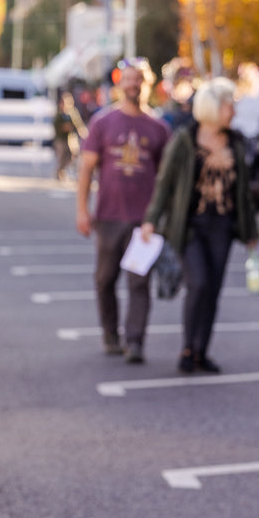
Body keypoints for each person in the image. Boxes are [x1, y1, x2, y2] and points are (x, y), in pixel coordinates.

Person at [141, 78, 259, 374]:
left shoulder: (235, 141)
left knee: (214, 289)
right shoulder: (185, 139)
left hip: (222, 225)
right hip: (190, 225)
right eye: (228, 104)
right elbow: (165, 183)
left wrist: (250, 232)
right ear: (213, 107)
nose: (233, 110)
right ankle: (187, 348)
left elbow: (243, 193)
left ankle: (201, 350)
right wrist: (151, 220)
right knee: (199, 283)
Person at [76, 57, 172, 364]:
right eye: (128, 79)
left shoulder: (159, 128)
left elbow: (166, 178)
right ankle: (110, 334)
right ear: (119, 83)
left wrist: (159, 218)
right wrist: (82, 210)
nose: (133, 85)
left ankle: (135, 342)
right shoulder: (103, 123)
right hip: (108, 216)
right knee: (105, 279)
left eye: (139, 80)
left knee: (138, 282)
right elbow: (86, 169)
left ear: (148, 85)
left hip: (142, 221)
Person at [52, 90, 88, 182]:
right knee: (62, 157)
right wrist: (67, 127)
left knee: (73, 155)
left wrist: (83, 132)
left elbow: (78, 124)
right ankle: (60, 172)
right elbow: (58, 127)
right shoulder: (59, 114)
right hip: (61, 139)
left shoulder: (73, 113)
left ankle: (65, 172)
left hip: (71, 139)